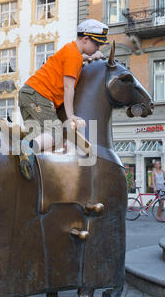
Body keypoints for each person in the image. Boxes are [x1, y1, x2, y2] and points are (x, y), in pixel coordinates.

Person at [18, 19, 109, 179]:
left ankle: (27, 161)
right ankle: (27, 146)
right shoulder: (73, 54)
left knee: (42, 138)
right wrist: (71, 115)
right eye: (97, 44)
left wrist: (89, 57)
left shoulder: (72, 52)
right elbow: (68, 88)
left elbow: (75, 64)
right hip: (38, 95)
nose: (98, 48)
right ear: (85, 39)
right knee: (55, 133)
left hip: (30, 94)